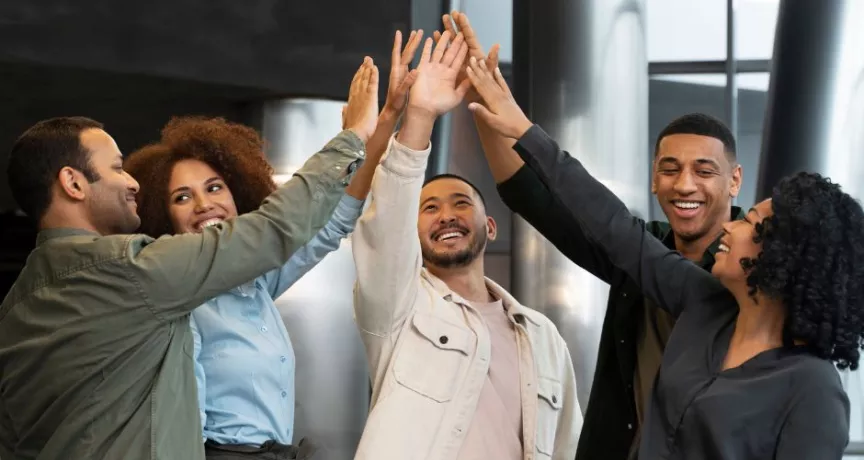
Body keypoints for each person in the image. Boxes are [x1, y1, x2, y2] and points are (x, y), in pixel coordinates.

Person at [465, 54, 861, 459]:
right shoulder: (702, 301)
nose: (732, 226)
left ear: (782, 255)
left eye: (750, 223)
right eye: (670, 169)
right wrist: (524, 131)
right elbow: (610, 222)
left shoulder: (813, 388)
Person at [0, 58, 378, 460]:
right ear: (73, 183)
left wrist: (382, 129)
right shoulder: (134, 271)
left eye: (215, 188)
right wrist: (352, 135)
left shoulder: (13, 312)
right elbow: (273, 230)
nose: (131, 182)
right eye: (115, 168)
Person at [438, 13, 745, 458]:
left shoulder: (749, 270)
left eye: (704, 171)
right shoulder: (644, 247)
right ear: (654, 179)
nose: (684, 186)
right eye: (670, 169)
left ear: (734, 181)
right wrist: (484, 107)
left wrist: (522, 127)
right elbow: (530, 196)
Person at [122, 31, 422, 460]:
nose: (205, 204)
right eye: (182, 197)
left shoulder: (255, 280)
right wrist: (352, 134)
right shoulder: (175, 298)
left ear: (237, 192)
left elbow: (338, 213)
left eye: (214, 187)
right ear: (162, 215)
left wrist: (387, 117)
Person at [351, 30, 582, 460]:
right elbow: (385, 226)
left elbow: (570, 446)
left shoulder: (543, 335)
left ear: (490, 226)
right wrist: (418, 116)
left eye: (460, 204)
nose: (446, 216)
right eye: (429, 209)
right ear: (413, 231)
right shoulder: (398, 304)